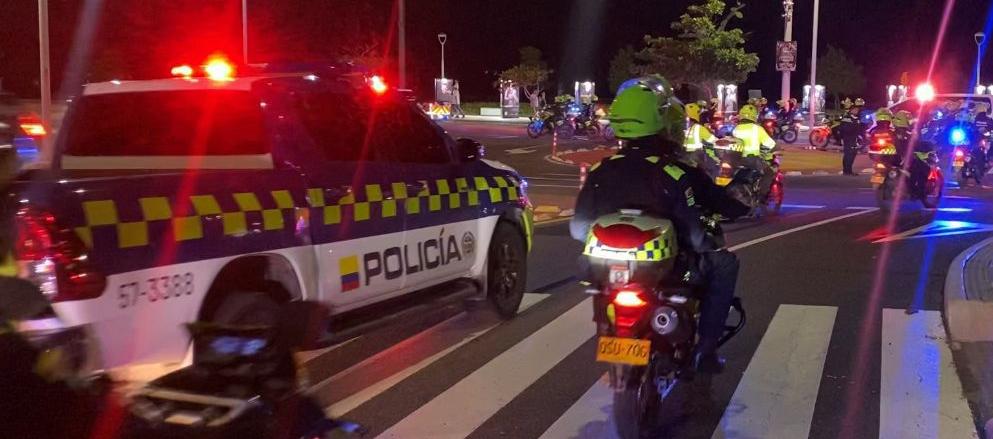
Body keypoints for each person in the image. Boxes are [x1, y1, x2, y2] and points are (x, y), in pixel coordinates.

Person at [570, 76, 749, 373]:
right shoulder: (677, 172)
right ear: (665, 123)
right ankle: (705, 350)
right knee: (725, 264)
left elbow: (578, 228)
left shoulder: (602, 170)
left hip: (605, 269)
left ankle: (610, 331)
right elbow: (695, 233)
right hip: (667, 268)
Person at [731, 104, 778, 198]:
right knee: (769, 172)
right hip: (752, 160)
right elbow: (770, 144)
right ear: (754, 116)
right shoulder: (757, 129)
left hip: (736, 160)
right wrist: (776, 149)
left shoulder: (736, 129)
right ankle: (762, 195)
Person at [684, 102, 720, 177]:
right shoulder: (699, 128)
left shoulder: (682, 128)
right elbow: (714, 141)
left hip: (685, 157)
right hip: (697, 158)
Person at [839, 104, 863, 175]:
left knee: (853, 154)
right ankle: (846, 170)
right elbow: (843, 129)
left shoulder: (857, 119)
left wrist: (860, 136)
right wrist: (842, 139)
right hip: (848, 139)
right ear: (851, 110)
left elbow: (859, 129)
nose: (856, 111)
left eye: (857, 110)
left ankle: (849, 170)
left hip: (854, 139)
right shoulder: (847, 118)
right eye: (855, 110)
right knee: (848, 154)